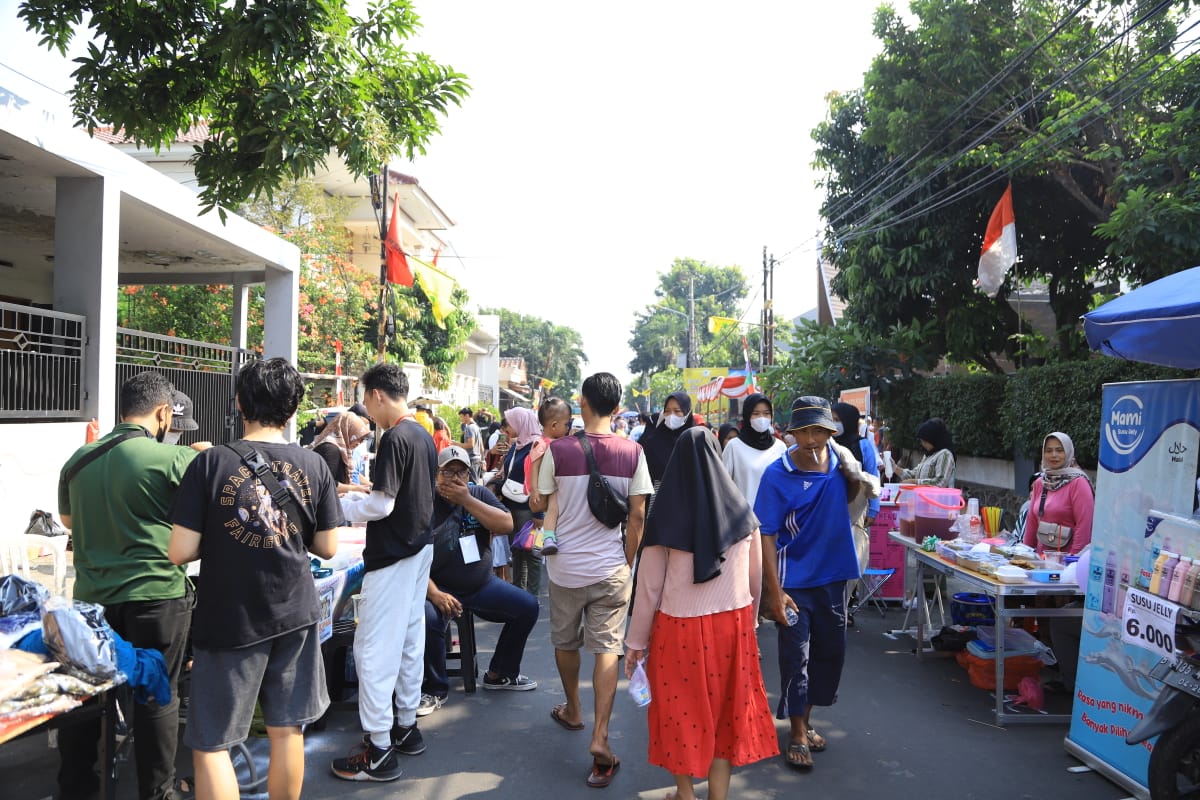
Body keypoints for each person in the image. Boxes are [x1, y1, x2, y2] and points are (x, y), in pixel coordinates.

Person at [167, 358, 342, 800]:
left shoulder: (210, 464)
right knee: (287, 731)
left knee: (212, 744)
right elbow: (327, 548)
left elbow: (180, 552)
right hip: (294, 613)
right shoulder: (314, 464)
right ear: (293, 407)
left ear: (240, 403)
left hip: (230, 616)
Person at [56, 374, 199, 800]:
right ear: (163, 412)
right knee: (157, 697)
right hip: (155, 598)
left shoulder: (78, 460)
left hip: (91, 606)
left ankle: (77, 789)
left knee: (87, 698)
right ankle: (157, 792)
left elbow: (67, 523)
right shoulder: (174, 460)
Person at [625, 427, 778, 800]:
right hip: (734, 627)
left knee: (682, 713)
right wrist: (751, 627)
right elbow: (754, 582)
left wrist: (635, 643)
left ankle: (685, 794)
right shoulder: (743, 514)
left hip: (679, 631)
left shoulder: (665, 520)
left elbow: (648, 589)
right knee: (727, 713)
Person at [537, 372, 653, 789]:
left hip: (565, 568)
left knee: (565, 640)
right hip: (610, 569)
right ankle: (600, 734)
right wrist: (627, 559)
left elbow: (543, 503)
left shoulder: (559, 450)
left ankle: (573, 709)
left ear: (582, 404)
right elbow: (637, 515)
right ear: (618, 409)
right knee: (607, 646)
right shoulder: (632, 451)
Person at [754, 396, 878, 771]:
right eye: (805, 431)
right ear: (792, 434)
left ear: (830, 432)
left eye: (820, 431)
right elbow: (767, 537)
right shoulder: (777, 475)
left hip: (835, 577)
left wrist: (853, 478)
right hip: (794, 581)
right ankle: (795, 731)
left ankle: (804, 719)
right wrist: (773, 594)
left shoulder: (842, 467)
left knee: (829, 654)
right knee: (796, 657)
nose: (812, 439)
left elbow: (856, 498)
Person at [330, 363, 438, 781]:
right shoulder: (423, 434)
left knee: (373, 651)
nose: (368, 415)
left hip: (394, 556)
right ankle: (405, 726)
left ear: (377, 395)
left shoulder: (395, 437)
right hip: (417, 552)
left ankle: (377, 748)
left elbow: (382, 505)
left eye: (367, 403)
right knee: (409, 641)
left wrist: (340, 509)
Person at [419, 445, 539, 715]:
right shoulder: (425, 501)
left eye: (461, 472)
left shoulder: (478, 494)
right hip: (440, 589)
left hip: (481, 585)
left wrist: (466, 500)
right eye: (447, 472)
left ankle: (500, 673)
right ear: (435, 475)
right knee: (427, 617)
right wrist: (434, 593)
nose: (454, 478)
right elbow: (412, 556)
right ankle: (434, 689)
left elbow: (506, 525)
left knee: (527, 606)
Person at [832, 402, 881, 620]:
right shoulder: (829, 444)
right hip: (830, 511)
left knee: (853, 560)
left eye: (838, 418)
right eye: (831, 418)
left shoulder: (863, 446)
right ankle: (833, 607)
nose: (834, 423)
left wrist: (874, 510)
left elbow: (873, 477)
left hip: (856, 512)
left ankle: (845, 605)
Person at [1023, 432, 1094, 557]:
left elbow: (1084, 527)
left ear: (1068, 452)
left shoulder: (1078, 483)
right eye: (1049, 451)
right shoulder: (1041, 482)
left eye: (1059, 450)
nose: (1054, 455)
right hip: (1041, 560)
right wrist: (1024, 554)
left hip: (1067, 562)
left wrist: (1072, 561)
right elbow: (1032, 523)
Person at [496, 406, 541, 593]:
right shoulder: (517, 445)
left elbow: (541, 481)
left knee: (531, 551)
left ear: (521, 423)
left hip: (528, 507)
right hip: (511, 505)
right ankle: (519, 593)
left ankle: (532, 596)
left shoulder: (537, 446)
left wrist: (540, 512)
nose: (507, 427)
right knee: (516, 550)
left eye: (510, 423)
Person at [721, 393, 787, 507]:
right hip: (744, 518)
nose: (761, 418)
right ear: (747, 415)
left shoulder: (780, 447)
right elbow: (722, 486)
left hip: (774, 517)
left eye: (766, 413)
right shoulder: (734, 447)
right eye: (755, 414)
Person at [527, 397, 573, 558]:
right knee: (553, 508)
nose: (568, 428)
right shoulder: (542, 443)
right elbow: (535, 467)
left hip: (551, 485)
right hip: (543, 488)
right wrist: (535, 490)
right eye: (566, 424)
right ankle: (548, 538)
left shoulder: (555, 442)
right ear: (554, 425)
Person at [639, 392, 697, 486]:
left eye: (677, 411)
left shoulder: (695, 440)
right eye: (667, 411)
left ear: (688, 413)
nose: (671, 415)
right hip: (658, 495)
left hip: (689, 496)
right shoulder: (654, 441)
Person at [309, 410, 372, 492]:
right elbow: (327, 484)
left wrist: (360, 487)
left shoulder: (342, 449)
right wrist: (355, 489)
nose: (360, 442)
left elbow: (340, 480)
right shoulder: (331, 449)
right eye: (358, 436)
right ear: (347, 430)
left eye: (363, 439)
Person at [900, 418, 956, 487]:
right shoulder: (929, 455)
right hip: (923, 496)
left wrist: (915, 481)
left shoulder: (945, 454)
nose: (923, 444)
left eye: (925, 441)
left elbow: (940, 482)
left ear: (934, 439)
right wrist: (894, 467)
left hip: (937, 498)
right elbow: (914, 474)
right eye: (922, 441)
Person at [456, 407, 484, 478]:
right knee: (475, 482)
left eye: (461, 417)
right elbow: (481, 446)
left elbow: (471, 444)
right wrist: (483, 460)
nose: (461, 419)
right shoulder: (476, 427)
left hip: (471, 459)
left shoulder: (469, 428)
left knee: (471, 483)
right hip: (477, 458)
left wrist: (456, 444)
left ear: (467, 416)